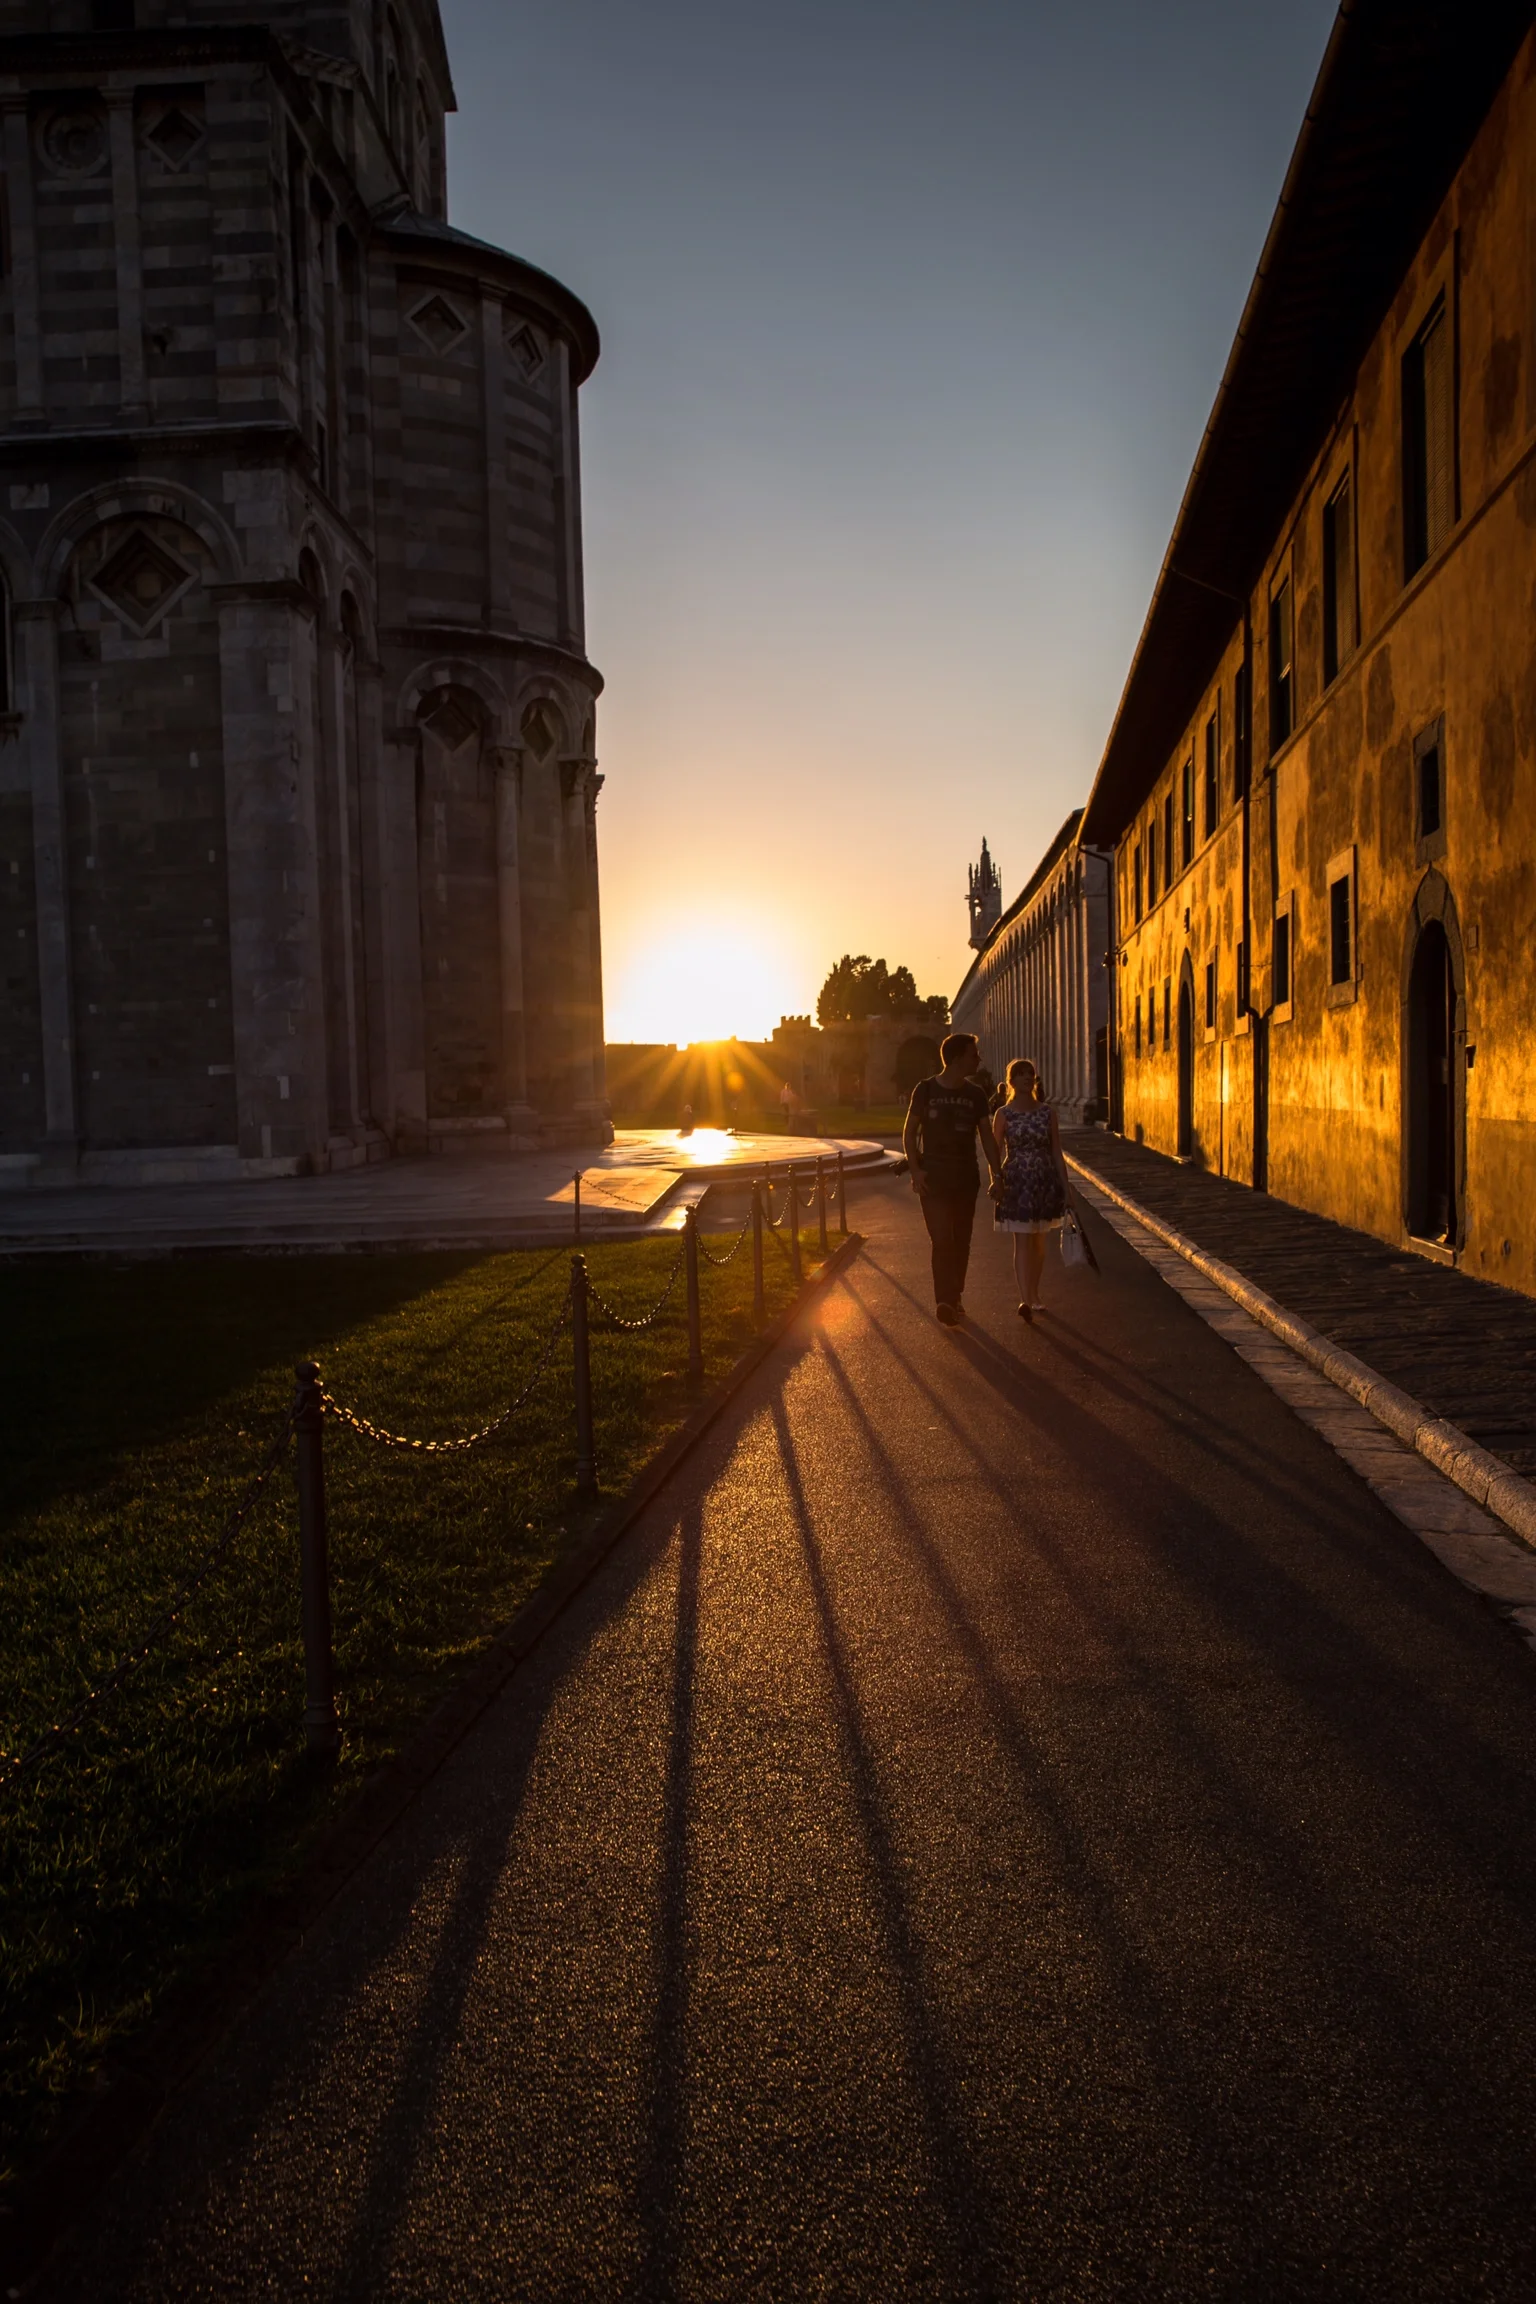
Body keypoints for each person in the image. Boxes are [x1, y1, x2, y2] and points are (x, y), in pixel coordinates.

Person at [902, 1032, 1001, 1325]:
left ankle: (955, 1295)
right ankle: (945, 1300)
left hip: (965, 1178)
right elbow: (909, 1132)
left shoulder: (976, 1095)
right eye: (974, 1054)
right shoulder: (926, 1090)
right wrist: (915, 1170)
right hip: (933, 1180)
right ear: (957, 1058)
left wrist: (998, 1175)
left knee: (962, 1240)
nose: (978, 1059)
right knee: (942, 1239)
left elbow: (986, 1138)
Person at [991, 1056, 1070, 1321]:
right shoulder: (1004, 1114)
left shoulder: (1047, 1113)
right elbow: (995, 1151)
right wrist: (996, 1179)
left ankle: (1035, 1294)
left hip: (1044, 1179)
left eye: (1030, 1073)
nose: (1027, 1077)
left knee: (1039, 1241)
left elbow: (1057, 1151)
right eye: (1021, 1073)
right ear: (1011, 1081)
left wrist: (1065, 1186)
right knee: (1022, 1239)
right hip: (1017, 1181)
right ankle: (1025, 1299)